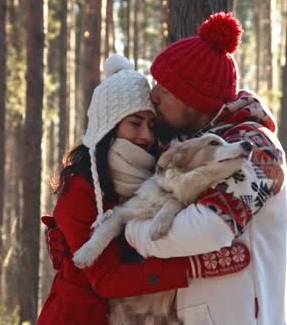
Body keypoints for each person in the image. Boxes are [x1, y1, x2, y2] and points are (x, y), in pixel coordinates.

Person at [37, 54, 250, 325]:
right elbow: (106, 279)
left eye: (151, 125)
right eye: (135, 123)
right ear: (109, 127)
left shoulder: (153, 175)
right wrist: (194, 267)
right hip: (80, 316)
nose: (146, 136)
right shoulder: (80, 189)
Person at [123, 12, 287, 324]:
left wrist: (131, 230)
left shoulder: (255, 148)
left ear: (194, 100)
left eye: (167, 88)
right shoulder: (183, 147)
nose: (154, 94)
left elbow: (207, 228)